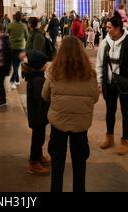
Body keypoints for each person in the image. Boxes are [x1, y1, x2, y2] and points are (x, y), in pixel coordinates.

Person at [42, 36, 99, 192]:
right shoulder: (90, 73)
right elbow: (95, 98)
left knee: (57, 166)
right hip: (81, 125)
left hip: (58, 123)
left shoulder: (53, 71)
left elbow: (44, 95)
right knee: (80, 166)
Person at [96, 11, 128, 155]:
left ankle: (124, 141)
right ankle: (109, 137)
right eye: (106, 27)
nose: (107, 30)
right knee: (110, 111)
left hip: (125, 83)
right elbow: (100, 63)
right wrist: (99, 81)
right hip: (110, 83)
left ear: (118, 28)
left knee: (126, 112)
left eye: (109, 27)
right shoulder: (104, 43)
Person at [22, 50, 50, 175]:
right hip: (38, 115)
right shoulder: (38, 80)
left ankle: (38, 155)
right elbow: (41, 99)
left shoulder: (34, 76)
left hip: (37, 115)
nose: (47, 65)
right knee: (38, 138)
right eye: (45, 64)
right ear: (39, 66)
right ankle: (34, 162)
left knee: (39, 137)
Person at [7, 12, 29, 89]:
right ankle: (13, 80)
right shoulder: (24, 25)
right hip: (21, 47)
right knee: (17, 64)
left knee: (15, 64)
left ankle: (16, 80)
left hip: (12, 47)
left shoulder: (10, 25)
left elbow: (7, 33)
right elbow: (27, 37)